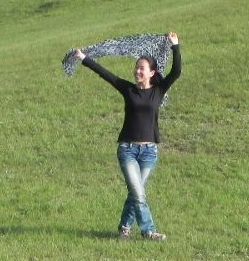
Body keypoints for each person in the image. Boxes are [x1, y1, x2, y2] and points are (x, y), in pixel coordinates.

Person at [73, 31, 181, 242]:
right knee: (139, 193)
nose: (137, 70)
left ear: (152, 72)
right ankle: (149, 231)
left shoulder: (158, 91)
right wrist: (84, 58)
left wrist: (175, 46)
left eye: (141, 68)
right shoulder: (128, 89)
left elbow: (176, 71)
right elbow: (106, 74)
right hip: (128, 150)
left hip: (149, 151)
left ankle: (124, 229)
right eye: (136, 67)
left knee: (135, 193)